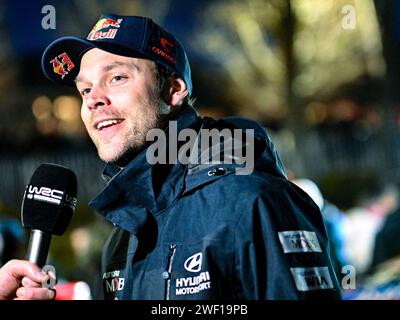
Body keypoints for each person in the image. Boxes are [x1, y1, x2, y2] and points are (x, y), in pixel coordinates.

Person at [36, 14, 342, 299]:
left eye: (116, 78)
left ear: (173, 89)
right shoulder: (122, 236)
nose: (94, 101)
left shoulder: (254, 202)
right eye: (85, 90)